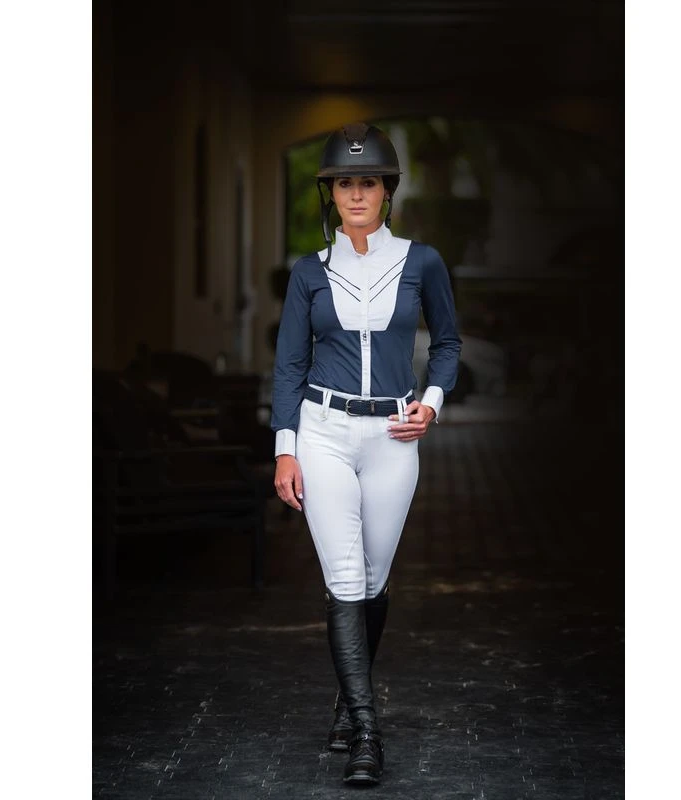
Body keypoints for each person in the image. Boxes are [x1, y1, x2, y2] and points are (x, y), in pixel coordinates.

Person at [271, 122, 462, 786]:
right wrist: (285, 450)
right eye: (345, 182)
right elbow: (289, 366)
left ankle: (346, 706)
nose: (357, 193)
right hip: (322, 431)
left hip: (393, 439)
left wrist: (431, 402)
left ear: (387, 192)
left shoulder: (422, 262)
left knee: (375, 581)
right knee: (346, 578)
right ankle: (366, 732)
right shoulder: (309, 272)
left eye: (369, 182)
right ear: (331, 193)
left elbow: (448, 343)